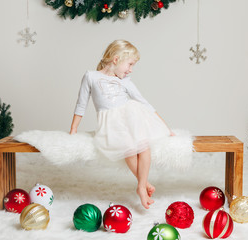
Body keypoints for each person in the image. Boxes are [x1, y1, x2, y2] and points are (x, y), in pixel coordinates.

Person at [70, 40, 174, 209]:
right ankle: (144, 182)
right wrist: (74, 128)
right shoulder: (91, 76)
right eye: (130, 64)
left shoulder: (126, 81)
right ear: (116, 59)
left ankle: (141, 187)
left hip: (132, 116)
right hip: (111, 123)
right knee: (129, 151)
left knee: (143, 146)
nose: (131, 70)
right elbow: (81, 103)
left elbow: (144, 103)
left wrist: (165, 127)